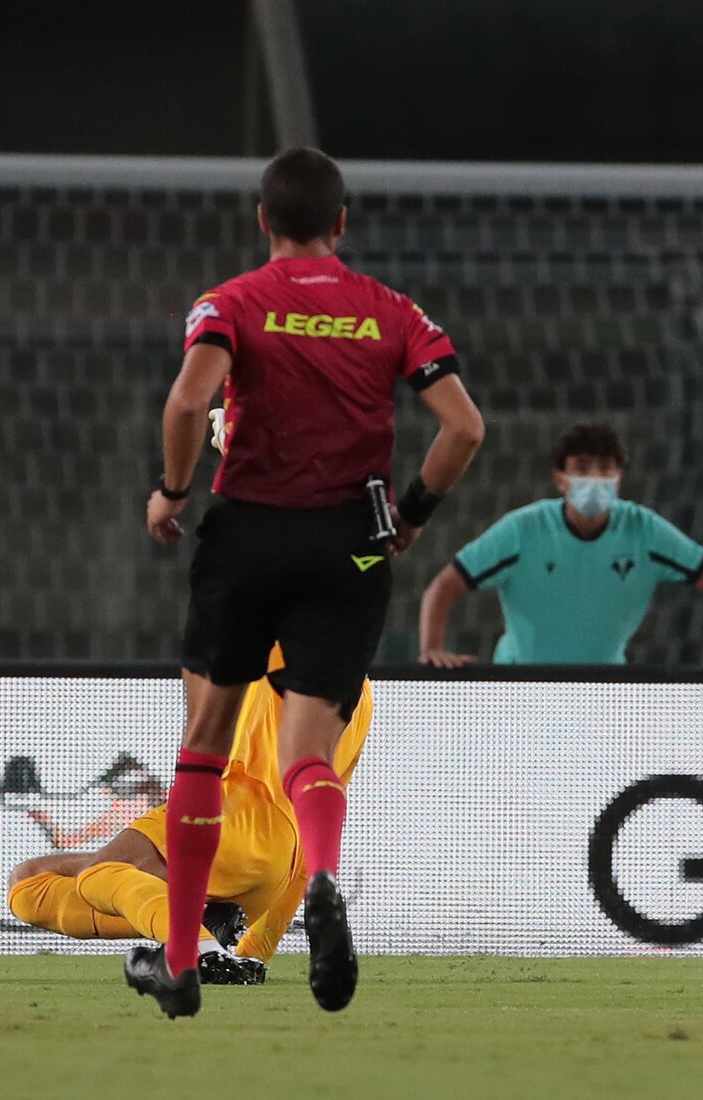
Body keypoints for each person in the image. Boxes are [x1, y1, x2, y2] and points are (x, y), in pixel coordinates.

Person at [139, 146, 485, 1017]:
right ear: (341, 223)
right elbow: (464, 428)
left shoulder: (231, 302)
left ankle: (180, 962)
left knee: (205, 746)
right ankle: (323, 877)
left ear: (263, 220)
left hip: (249, 532)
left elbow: (189, 402)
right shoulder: (391, 311)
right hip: (349, 543)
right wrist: (411, 513)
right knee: (309, 755)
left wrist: (172, 490)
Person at [7, 656, 372, 987]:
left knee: (100, 874)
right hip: (270, 873)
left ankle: (200, 948)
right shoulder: (362, 695)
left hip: (230, 821)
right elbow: (320, 820)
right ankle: (203, 930)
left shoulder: (284, 647)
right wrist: (256, 952)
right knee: (28, 885)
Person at [417, 422, 703, 667]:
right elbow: (443, 587)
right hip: (519, 686)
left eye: (605, 468)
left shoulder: (643, 530)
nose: (594, 478)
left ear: (619, 477)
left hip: (603, 688)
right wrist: (432, 650)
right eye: (582, 468)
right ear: (560, 480)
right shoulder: (523, 530)